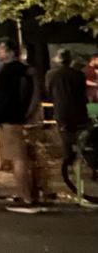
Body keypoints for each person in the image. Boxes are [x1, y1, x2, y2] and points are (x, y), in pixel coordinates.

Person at [0, 39, 43, 211]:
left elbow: (2, 98)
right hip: (25, 118)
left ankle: (26, 197)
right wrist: (30, 113)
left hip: (11, 119)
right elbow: (36, 93)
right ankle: (33, 193)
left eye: (0, 49)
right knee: (28, 157)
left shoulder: (7, 71)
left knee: (18, 159)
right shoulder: (27, 70)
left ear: (10, 52)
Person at [45, 48, 89, 177]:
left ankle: (68, 162)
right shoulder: (79, 74)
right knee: (81, 137)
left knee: (65, 138)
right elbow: (82, 93)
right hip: (79, 110)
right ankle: (81, 161)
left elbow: (48, 92)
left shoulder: (51, 74)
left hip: (61, 110)